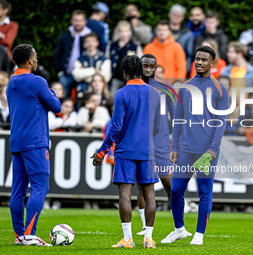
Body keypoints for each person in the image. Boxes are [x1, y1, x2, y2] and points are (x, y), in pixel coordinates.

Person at [161, 46, 229, 245]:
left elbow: (221, 122)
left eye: (204, 60)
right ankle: (179, 229)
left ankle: (199, 234)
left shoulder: (220, 89)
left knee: (204, 192)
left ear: (212, 64)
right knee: (175, 190)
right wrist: (174, 147)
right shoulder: (184, 86)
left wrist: (213, 149)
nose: (199, 62)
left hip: (206, 150)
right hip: (185, 149)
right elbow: (179, 118)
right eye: (197, 59)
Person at [91, 55, 161, 248]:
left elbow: (115, 127)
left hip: (125, 151)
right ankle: (148, 238)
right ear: (140, 70)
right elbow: (158, 126)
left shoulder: (122, 93)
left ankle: (128, 239)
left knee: (125, 194)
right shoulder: (155, 93)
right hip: (147, 151)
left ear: (124, 72)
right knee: (149, 195)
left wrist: (102, 151)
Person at [7, 44, 61, 246]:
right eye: (35, 57)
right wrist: (52, 92)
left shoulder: (11, 83)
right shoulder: (37, 81)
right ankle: (30, 235)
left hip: (17, 142)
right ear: (29, 60)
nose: (37, 60)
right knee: (40, 187)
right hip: (35, 142)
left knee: (18, 190)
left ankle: (20, 236)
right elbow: (56, 107)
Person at [136, 54, 174, 236]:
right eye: (145, 66)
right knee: (141, 184)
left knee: (169, 183)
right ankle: (145, 226)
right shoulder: (134, 87)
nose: (148, 69)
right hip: (141, 141)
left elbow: (177, 114)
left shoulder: (166, 88)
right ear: (140, 66)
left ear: (156, 68)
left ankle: (178, 225)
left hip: (162, 142)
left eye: (152, 66)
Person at [54, 10, 91, 97]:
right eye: (75, 20)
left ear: (85, 22)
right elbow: (57, 54)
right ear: (72, 21)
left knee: (81, 97)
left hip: (83, 75)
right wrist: (59, 71)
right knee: (62, 97)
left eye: (80, 20)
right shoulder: (65, 36)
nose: (77, 23)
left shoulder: (89, 36)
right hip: (66, 74)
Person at [72, 32, 111, 106]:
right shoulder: (80, 59)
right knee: (79, 89)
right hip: (84, 88)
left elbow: (106, 77)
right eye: (88, 41)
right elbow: (76, 75)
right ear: (84, 44)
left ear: (97, 43)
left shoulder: (104, 59)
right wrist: (94, 71)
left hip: (100, 88)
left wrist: (85, 75)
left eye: (93, 41)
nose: (90, 43)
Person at [107, 20, 142, 93]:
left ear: (130, 32)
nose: (123, 33)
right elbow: (107, 60)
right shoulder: (112, 45)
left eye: (126, 31)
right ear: (118, 32)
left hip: (130, 79)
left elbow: (139, 63)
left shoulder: (135, 46)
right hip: (115, 77)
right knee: (114, 98)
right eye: (121, 31)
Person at [167, 4, 193, 74]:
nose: (176, 17)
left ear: (183, 18)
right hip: (162, 68)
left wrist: (186, 70)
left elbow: (189, 54)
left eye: (179, 15)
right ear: (169, 14)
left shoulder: (188, 33)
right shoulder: (160, 30)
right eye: (174, 14)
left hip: (179, 69)